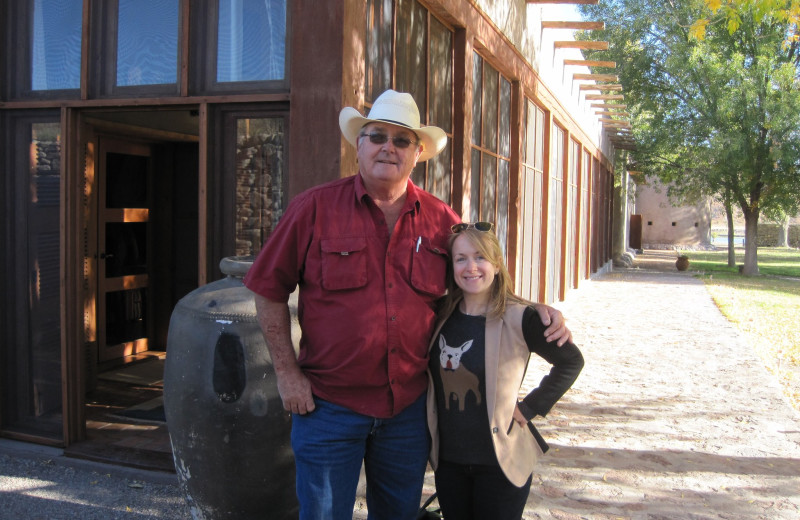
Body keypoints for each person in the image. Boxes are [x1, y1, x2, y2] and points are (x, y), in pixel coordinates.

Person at [243, 89, 572, 520]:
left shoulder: (442, 221)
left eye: (402, 141)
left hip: (410, 413)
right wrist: (287, 375)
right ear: (359, 144)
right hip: (327, 407)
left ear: (417, 153)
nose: (388, 148)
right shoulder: (313, 209)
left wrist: (536, 309)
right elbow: (268, 288)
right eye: (377, 136)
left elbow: (478, 275)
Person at [426, 222, 585, 520]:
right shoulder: (440, 314)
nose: (471, 267)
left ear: (497, 265)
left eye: (480, 257)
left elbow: (571, 362)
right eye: (461, 258)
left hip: (501, 463)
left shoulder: (521, 317)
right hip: (449, 463)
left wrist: (530, 407)